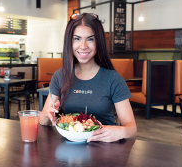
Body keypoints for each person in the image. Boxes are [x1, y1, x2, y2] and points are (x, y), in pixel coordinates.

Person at [39, 13, 137, 143]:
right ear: (69, 41)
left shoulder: (113, 79)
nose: (83, 45)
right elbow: (42, 120)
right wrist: (48, 114)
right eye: (77, 39)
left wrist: (121, 131)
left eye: (90, 39)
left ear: (99, 42)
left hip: (104, 147)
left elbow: (132, 127)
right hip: (69, 148)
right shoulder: (60, 76)